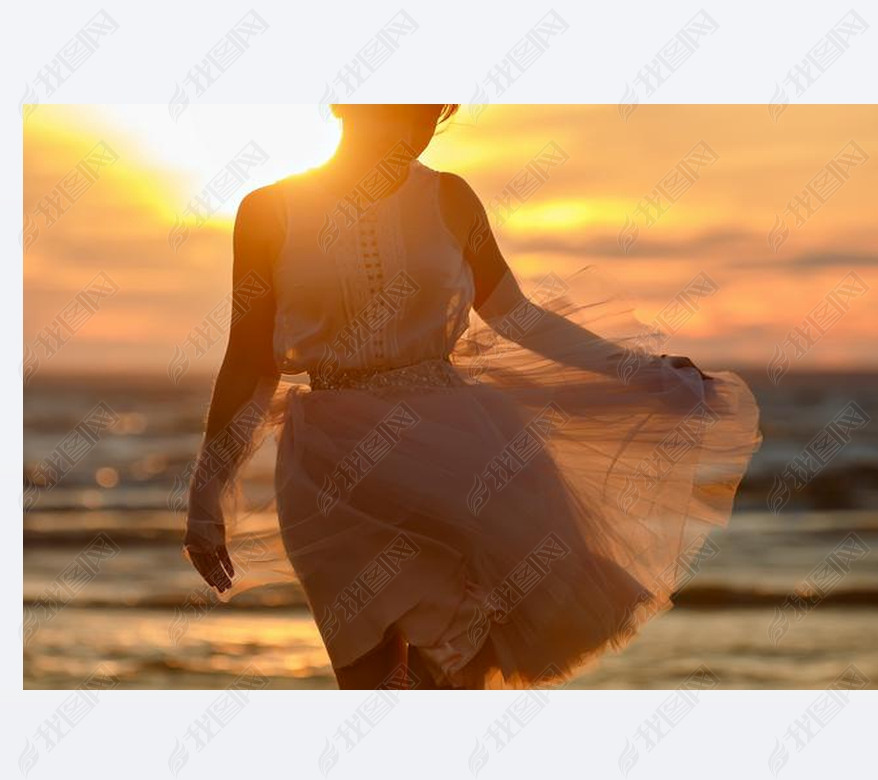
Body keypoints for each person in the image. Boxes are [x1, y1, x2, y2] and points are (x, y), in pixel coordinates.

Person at [184, 105, 760, 688]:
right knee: (365, 682)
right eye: (404, 107)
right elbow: (250, 360)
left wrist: (640, 371)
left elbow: (518, 317)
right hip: (328, 474)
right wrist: (206, 496)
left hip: (460, 461)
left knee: (451, 681)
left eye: (433, 110)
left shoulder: (450, 198)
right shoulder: (268, 210)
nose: (422, 124)